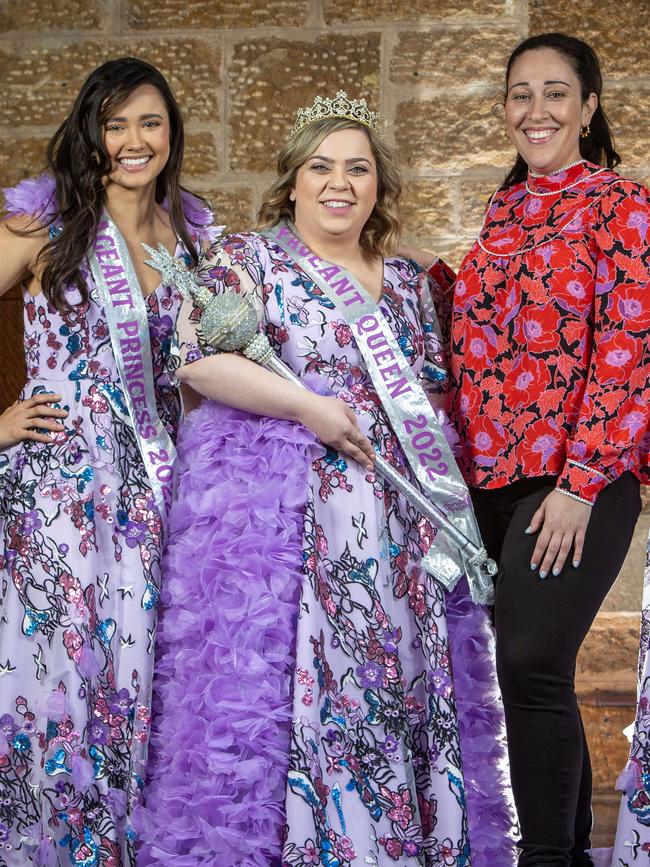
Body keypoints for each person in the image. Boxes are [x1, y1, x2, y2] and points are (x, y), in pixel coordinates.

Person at [135, 94, 515, 866]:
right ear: (294, 182)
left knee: (397, 691)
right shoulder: (250, 261)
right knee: (302, 694)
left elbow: (433, 401)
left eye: (357, 169)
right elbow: (198, 362)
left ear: (377, 186)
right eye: (321, 168)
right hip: (295, 529)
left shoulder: (408, 283)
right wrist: (309, 408)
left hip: (401, 537)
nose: (338, 184)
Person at [402, 31, 650, 867]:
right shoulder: (504, 212)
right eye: (519, 93)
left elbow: (630, 345)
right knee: (525, 678)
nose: (534, 109)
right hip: (492, 484)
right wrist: (403, 270)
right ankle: (565, 851)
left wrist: (581, 484)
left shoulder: (624, 205)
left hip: (578, 478)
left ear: (587, 108)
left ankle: (547, 857)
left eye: (554, 92)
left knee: (532, 657)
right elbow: (476, 332)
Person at [0, 57, 216, 865]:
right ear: (91, 130)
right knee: (58, 677)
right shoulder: (42, 221)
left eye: (149, 123)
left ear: (171, 133)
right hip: (59, 497)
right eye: (116, 123)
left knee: (142, 682)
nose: (133, 140)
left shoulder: (192, 235)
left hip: (157, 497)